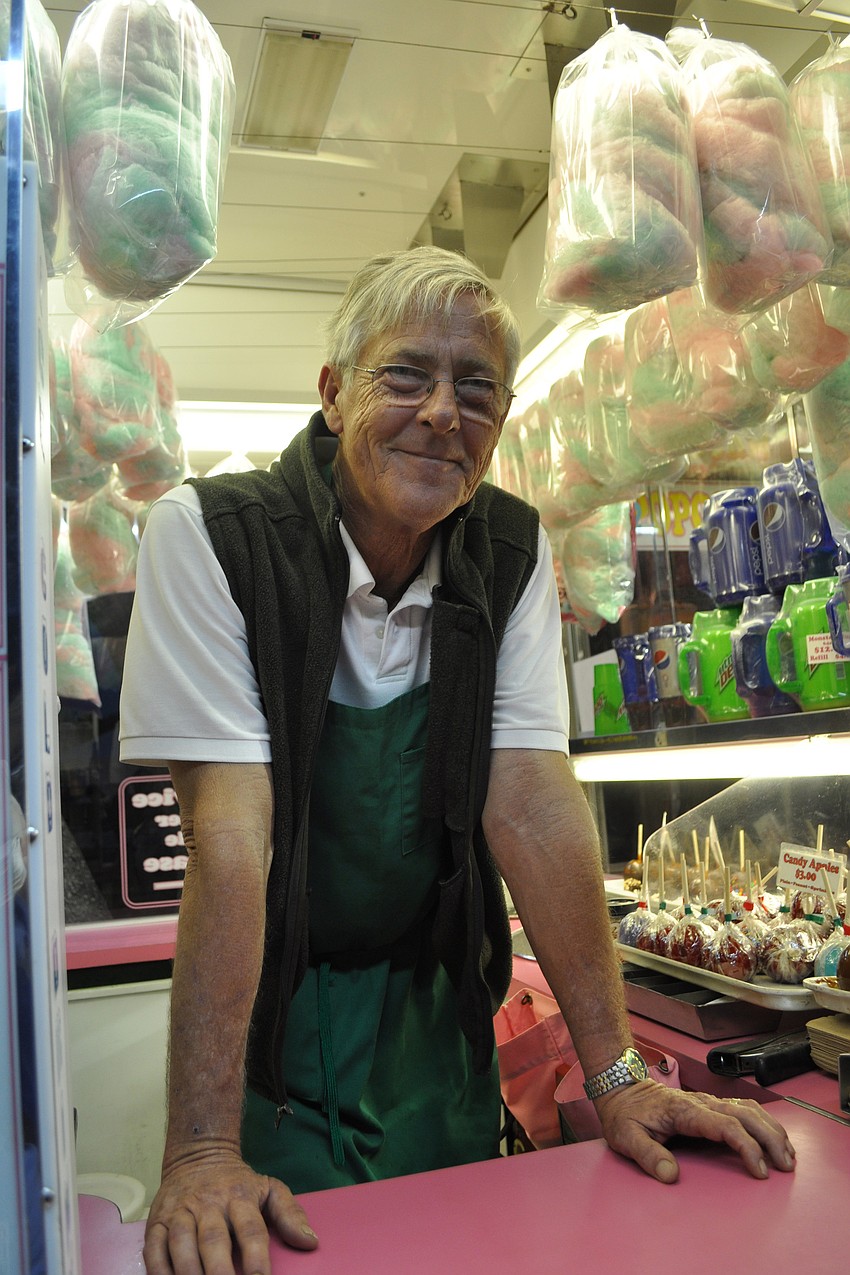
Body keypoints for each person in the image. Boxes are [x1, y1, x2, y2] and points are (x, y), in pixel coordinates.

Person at [119, 247, 795, 1275]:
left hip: (437, 1014)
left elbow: (525, 801)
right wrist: (203, 1148)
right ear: (333, 394)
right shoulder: (214, 539)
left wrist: (614, 1076)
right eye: (406, 375)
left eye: (476, 387)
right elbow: (229, 834)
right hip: (274, 1018)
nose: (444, 410)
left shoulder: (509, 551)